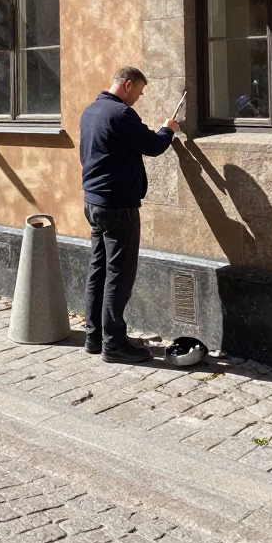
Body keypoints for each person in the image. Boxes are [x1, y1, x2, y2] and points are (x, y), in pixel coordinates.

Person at [78, 66, 180, 363]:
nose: (138, 98)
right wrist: (168, 129)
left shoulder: (91, 110)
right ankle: (114, 344)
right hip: (118, 206)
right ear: (127, 84)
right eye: (139, 92)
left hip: (94, 203)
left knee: (98, 271)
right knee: (119, 276)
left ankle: (94, 337)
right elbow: (153, 146)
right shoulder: (120, 114)